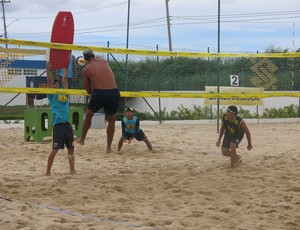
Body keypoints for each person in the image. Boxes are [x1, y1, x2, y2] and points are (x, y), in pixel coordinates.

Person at [75, 49, 120, 153]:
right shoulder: (104, 61)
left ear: (85, 59)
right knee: (111, 120)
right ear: (94, 56)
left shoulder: (86, 69)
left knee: (88, 115)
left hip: (100, 93)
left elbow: (88, 90)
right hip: (114, 92)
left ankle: (82, 139)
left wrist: (93, 92)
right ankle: (109, 148)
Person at [45, 62, 75, 176]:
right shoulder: (51, 95)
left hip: (67, 124)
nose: (55, 84)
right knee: (55, 150)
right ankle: (48, 171)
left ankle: (72, 170)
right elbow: (49, 80)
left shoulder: (64, 92)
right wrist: (48, 68)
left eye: (56, 83)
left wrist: (66, 67)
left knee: (71, 149)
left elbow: (65, 78)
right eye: (54, 83)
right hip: (57, 125)